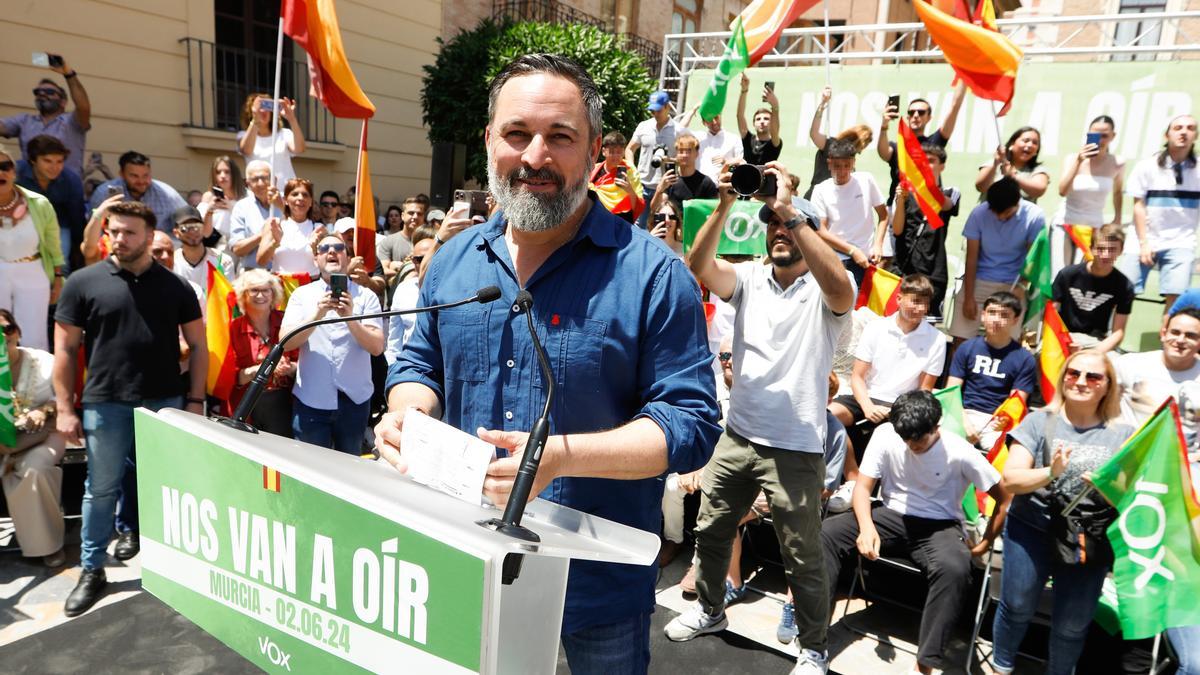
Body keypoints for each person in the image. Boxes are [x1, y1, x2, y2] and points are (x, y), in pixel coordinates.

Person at [375, 54, 721, 673]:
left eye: (559, 137)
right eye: (517, 134)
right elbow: (418, 367)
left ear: (593, 153)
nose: (535, 157)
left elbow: (690, 424)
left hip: (597, 585)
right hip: (463, 563)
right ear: (489, 142)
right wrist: (407, 414)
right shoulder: (453, 262)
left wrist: (559, 457)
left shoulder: (654, 275)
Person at [665, 154, 855, 675]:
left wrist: (787, 207)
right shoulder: (749, 277)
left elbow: (840, 286)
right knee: (711, 529)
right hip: (739, 434)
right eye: (770, 223)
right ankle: (709, 609)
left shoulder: (826, 291)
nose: (777, 230)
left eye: (787, 224)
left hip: (795, 445)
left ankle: (814, 648)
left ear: (807, 230)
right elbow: (698, 266)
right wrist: (727, 202)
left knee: (802, 555)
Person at [53, 200, 206, 617]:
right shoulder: (82, 283)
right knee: (100, 490)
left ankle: (173, 567)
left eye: (128, 232)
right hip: (105, 403)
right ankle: (92, 570)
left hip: (165, 402)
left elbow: (198, 346)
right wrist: (65, 408)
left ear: (150, 235)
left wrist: (195, 399)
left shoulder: (177, 287)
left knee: (168, 488)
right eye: (113, 231)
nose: (119, 239)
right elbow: (64, 349)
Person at [821, 390, 1006, 674]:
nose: (912, 445)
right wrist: (867, 527)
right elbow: (863, 487)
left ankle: (925, 664)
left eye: (919, 439)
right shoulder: (885, 435)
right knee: (828, 533)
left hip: (939, 525)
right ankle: (815, 639)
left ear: (936, 426)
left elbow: (1005, 499)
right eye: (906, 438)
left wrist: (983, 545)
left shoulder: (959, 451)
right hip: (891, 515)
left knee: (955, 568)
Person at [991, 350, 1133, 675]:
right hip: (1032, 529)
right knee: (1017, 607)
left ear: (1107, 386)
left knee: (1071, 625)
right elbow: (1010, 479)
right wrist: (1050, 473)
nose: (1081, 381)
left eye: (1093, 376)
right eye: (1073, 373)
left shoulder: (1123, 435)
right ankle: (1001, 667)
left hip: (1087, 539)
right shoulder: (1039, 421)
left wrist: (1108, 490)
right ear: (1063, 377)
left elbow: (1128, 497)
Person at [826, 274, 946, 512]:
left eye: (923, 303)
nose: (918, 308)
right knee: (827, 415)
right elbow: (858, 377)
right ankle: (852, 479)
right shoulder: (876, 328)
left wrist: (896, 412)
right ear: (899, 299)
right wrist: (868, 406)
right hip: (866, 395)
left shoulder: (937, 339)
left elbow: (924, 390)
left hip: (905, 403)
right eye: (914, 301)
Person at [281, 234, 383, 453]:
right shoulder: (301, 294)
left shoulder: (366, 296)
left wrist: (350, 318)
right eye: (324, 248)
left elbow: (376, 347)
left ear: (347, 257)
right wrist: (317, 314)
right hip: (311, 401)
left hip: (354, 402)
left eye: (338, 247)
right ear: (316, 259)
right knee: (309, 471)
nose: (331, 251)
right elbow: (285, 343)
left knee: (349, 473)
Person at [0, 309, 67, 568]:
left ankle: (48, 545)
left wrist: (44, 409)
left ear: (17, 332)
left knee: (35, 469)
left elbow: (65, 397)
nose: (3, 336)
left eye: (7, 329)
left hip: (44, 434)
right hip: (4, 440)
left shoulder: (44, 362)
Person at [949, 177, 1046, 344]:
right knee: (960, 340)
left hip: (1013, 284)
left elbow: (1032, 260)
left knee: (1007, 343)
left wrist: (1022, 287)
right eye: (996, 212)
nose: (1000, 218)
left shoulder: (1035, 216)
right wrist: (969, 297)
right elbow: (971, 259)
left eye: (1006, 213)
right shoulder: (979, 213)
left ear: (1018, 203)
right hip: (979, 280)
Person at [1122, 114, 1199, 312]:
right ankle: (1111, 338)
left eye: (1190, 128)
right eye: (1178, 128)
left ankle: (1168, 341)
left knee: (1176, 298)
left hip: (1181, 242)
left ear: (1196, 135)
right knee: (1124, 291)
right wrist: (1144, 243)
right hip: (1142, 240)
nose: (1184, 132)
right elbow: (1138, 206)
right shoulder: (1147, 166)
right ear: (1167, 135)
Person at [945, 291, 1038, 450]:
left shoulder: (1024, 359)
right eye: (992, 313)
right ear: (983, 315)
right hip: (963, 412)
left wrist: (999, 423)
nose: (996, 319)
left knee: (998, 451)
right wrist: (964, 422)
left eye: (1004, 315)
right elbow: (950, 392)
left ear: (1015, 320)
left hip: (997, 420)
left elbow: (1016, 403)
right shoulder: (967, 348)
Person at [1, 144, 64, 351]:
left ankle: (35, 382)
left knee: (33, 336)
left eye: (5, 166)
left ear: (13, 171)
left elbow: (54, 245)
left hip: (32, 270)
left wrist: (57, 278)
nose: (0, 172)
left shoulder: (38, 203)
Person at [889, 143, 960, 319]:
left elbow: (946, 205)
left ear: (941, 166)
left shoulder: (950, 192)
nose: (925, 165)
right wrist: (899, 200)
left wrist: (923, 186)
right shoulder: (906, 193)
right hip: (904, 271)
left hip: (934, 274)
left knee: (927, 327)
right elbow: (897, 230)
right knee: (898, 324)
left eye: (930, 161)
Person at [811, 138, 888, 289]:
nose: (842, 171)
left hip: (866, 261)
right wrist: (852, 251)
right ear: (829, 163)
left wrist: (878, 245)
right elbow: (821, 231)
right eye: (837, 166)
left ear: (853, 163)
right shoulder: (821, 190)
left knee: (861, 311)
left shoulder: (866, 180)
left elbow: (884, 216)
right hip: (835, 260)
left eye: (847, 165)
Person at [1115, 307, 1200, 442]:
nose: (1180, 340)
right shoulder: (1128, 364)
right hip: (1131, 453)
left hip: (1187, 458)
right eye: (1175, 332)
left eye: (1190, 335)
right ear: (1163, 333)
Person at [229, 269, 297, 437]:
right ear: (243, 295)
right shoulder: (233, 328)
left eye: (265, 290)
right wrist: (265, 368)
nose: (260, 295)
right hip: (247, 404)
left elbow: (303, 363)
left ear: (273, 294)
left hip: (285, 403)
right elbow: (233, 377)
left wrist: (290, 368)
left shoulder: (287, 321)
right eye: (254, 290)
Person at [1051, 222, 1134, 352]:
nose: (1105, 255)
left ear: (1121, 251)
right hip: (1063, 336)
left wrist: (1092, 354)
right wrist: (1064, 341)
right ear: (1091, 248)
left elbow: (1118, 332)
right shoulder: (1067, 275)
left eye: (1112, 249)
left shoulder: (1124, 285)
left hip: (1096, 341)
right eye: (1100, 249)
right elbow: (1051, 314)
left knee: (1113, 364)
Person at [1, 57, 91, 176]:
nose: (42, 94)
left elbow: (83, 107)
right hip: (30, 187)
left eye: (49, 92)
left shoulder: (72, 121)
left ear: (63, 102)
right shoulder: (24, 121)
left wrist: (69, 74)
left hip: (65, 188)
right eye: (38, 92)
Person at [877, 85, 966, 205]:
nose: (916, 115)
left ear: (929, 117)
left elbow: (955, 107)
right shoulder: (898, 146)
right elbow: (883, 153)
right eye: (911, 112)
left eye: (921, 112)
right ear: (907, 117)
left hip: (925, 211)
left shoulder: (934, 144)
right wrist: (884, 125)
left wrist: (964, 78)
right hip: (897, 209)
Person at [1056, 115, 1125, 264]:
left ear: (1113, 136)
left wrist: (1118, 217)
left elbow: (1118, 192)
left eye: (1105, 135)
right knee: (1060, 275)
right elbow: (1062, 191)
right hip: (1065, 224)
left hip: (1094, 227)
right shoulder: (1072, 158)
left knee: (1083, 274)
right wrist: (1079, 161)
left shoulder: (1117, 162)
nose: (1100, 140)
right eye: (1095, 135)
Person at [16, 134, 86, 272]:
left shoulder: (71, 180)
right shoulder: (15, 173)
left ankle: (60, 291)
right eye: (47, 161)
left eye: (59, 161)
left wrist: (78, 246)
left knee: (62, 264)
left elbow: (77, 216)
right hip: (20, 221)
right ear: (32, 160)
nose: (55, 167)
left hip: (59, 223)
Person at [627, 90, 688, 230]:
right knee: (638, 228)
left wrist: (669, 160)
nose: (655, 114)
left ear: (667, 107)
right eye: (652, 111)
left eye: (658, 110)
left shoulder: (679, 131)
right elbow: (630, 149)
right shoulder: (644, 126)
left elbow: (687, 158)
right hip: (641, 186)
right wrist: (632, 169)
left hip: (666, 189)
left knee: (661, 228)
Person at [89, 151, 188, 235]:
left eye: (146, 175)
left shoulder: (167, 194)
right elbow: (94, 233)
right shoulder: (104, 194)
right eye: (134, 176)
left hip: (157, 251)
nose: (141, 181)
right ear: (122, 174)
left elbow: (188, 220)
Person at [804, 86, 872, 199]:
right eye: (864, 141)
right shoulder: (831, 144)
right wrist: (822, 104)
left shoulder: (851, 157)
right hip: (816, 199)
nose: (863, 147)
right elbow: (814, 134)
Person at [385, 230, 436, 362]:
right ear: (413, 261)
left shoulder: (453, 289)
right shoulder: (403, 289)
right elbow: (395, 340)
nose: (425, 263)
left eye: (430, 257)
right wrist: (393, 369)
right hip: (411, 369)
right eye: (419, 259)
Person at [257, 177, 324, 275]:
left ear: (311, 202)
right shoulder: (274, 225)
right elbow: (261, 261)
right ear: (286, 200)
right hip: (281, 286)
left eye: (305, 195)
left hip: (310, 286)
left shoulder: (319, 229)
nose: (300, 198)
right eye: (295, 194)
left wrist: (315, 249)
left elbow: (327, 264)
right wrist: (275, 243)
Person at [237, 94, 306, 188]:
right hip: (260, 192)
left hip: (285, 192)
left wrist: (291, 118)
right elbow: (246, 150)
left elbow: (299, 149)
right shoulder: (243, 135)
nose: (264, 111)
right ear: (251, 111)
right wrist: (255, 118)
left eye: (267, 107)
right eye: (260, 107)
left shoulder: (284, 133)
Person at [228, 160, 282, 271]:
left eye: (265, 178)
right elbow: (238, 249)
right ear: (247, 184)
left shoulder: (288, 203)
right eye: (255, 179)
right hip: (253, 273)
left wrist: (283, 207)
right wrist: (262, 234)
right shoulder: (242, 207)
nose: (261, 183)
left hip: (284, 274)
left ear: (274, 180)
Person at [975, 126, 1051, 202]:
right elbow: (980, 187)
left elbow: (1039, 190)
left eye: (1035, 143)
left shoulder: (1038, 170)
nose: (1030, 145)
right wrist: (995, 164)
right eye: (1025, 140)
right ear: (1012, 144)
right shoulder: (994, 163)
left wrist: (1012, 176)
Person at [171, 205, 235, 289]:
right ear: (176, 233)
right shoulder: (171, 262)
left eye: (197, 226)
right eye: (185, 228)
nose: (192, 232)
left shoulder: (222, 260)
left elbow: (228, 296)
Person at [650, 133, 717, 212]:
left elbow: (715, 211)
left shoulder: (706, 183)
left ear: (697, 154)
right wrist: (659, 190)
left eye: (689, 151)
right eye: (681, 151)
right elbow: (655, 209)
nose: (685, 155)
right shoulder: (670, 180)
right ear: (677, 154)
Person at [589, 131, 644, 224]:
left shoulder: (630, 171)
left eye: (619, 152)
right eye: (612, 152)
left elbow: (637, 206)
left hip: (621, 220)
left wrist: (629, 189)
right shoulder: (594, 170)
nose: (615, 156)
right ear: (603, 151)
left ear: (623, 152)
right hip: (597, 219)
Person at [197, 155, 245, 254]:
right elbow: (205, 233)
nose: (222, 176)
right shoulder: (208, 197)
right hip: (215, 249)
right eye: (218, 172)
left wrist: (232, 207)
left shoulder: (246, 197)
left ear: (234, 174)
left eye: (227, 172)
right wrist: (209, 211)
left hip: (240, 247)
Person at [332, 217, 387, 296]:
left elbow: (380, 289)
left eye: (354, 231)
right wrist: (348, 270)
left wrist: (367, 281)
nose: (351, 234)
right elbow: (327, 287)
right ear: (335, 235)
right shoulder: (330, 257)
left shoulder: (368, 256)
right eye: (346, 232)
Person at [736, 73, 782, 168]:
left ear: (771, 123)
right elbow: (740, 116)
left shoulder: (774, 142)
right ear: (753, 123)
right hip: (747, 180)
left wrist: (775, 106)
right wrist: (744, 90)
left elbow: (775, 130)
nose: (762, 121)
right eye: (758, 119)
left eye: (766, 119)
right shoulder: (747, 138)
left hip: (767, 181)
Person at [377, 196, 425, 282]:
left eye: (419, 214)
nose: (415, 216)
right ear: (403, 216)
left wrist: (397, 267)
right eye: (411, 213)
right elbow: (383, 271)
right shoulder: (388, 241)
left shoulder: (429, 242)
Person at [692, 112, 743, 182]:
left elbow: (740, 167)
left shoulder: (734, 139)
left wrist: (726, 164)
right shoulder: (697, 137)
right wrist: (693, 110)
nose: (714, 122)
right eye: (709, 119)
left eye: (716, 117)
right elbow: (677, 132)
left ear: (720, 116)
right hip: (699, 187)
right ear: (704, 122)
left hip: (723, 188)